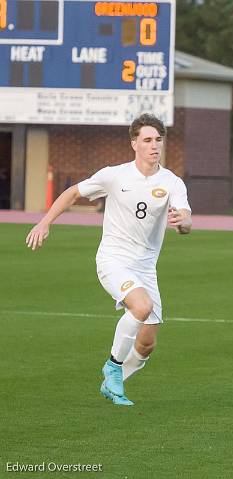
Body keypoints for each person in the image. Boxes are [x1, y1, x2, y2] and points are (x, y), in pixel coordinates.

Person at [26, 113, 192, 406]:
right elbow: (73, 192)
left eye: (158, 140)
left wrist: (183, 222)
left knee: (147, 343)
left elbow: (186, 221)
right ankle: (113, 366)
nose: (154, 146)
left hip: (145, 267)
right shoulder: (114, 175)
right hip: (113, 260)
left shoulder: (172, 182)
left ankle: (113, 383)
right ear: (134, 144)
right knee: (141, 306)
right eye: (148, 140)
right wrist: (45, 222)